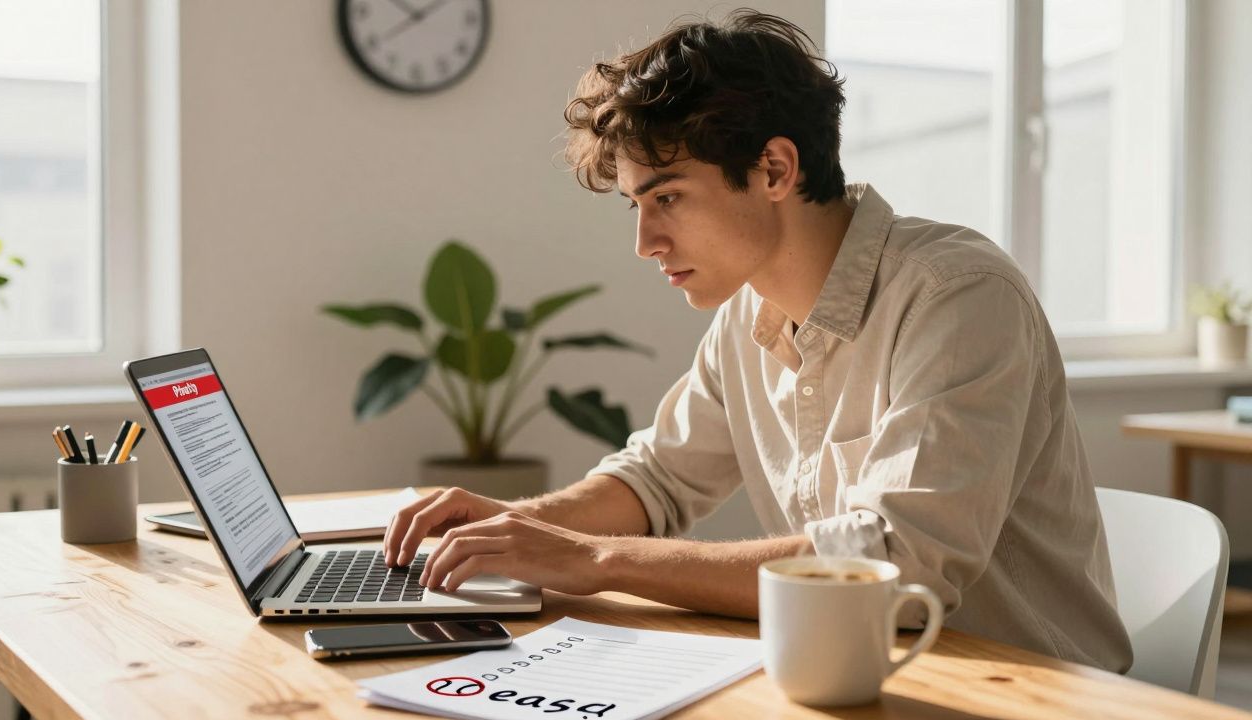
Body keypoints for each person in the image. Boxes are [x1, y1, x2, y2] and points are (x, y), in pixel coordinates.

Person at [383, 9, 1131, 672]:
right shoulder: (748, 317)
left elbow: (901, 562)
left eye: (668, 197)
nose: (646, 242)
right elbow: (657, 481)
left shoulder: (956, 295)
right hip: (854, 672)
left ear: (774, 168)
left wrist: (595, 559)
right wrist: (514, 526)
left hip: (1026, 697)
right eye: (637, 206)